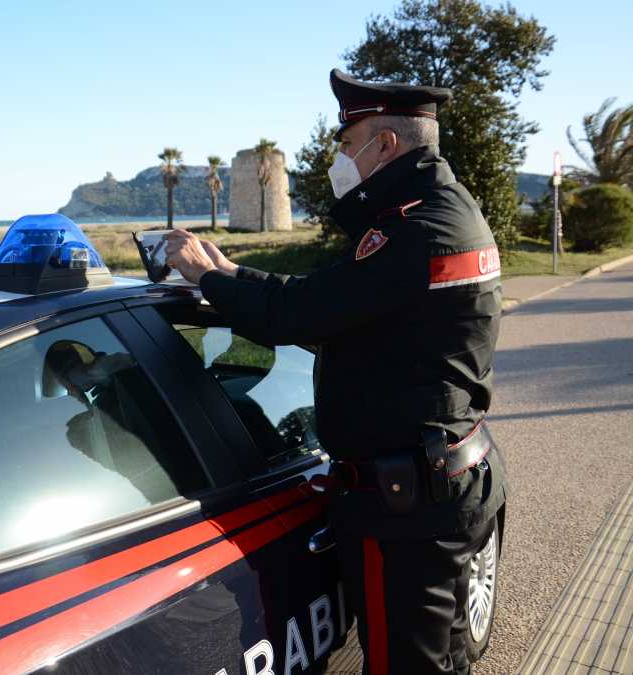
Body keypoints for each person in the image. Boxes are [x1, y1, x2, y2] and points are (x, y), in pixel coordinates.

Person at [165, 69, 506, 675]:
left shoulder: (414, 231)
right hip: (441, 481)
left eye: (348, 146)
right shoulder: (444, 212)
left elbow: (301, 313)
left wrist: (206, 278)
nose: (342, 160)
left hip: (405, 507)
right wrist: (236, 275)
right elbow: (331, 298)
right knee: (441, 660)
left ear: (386, 146)